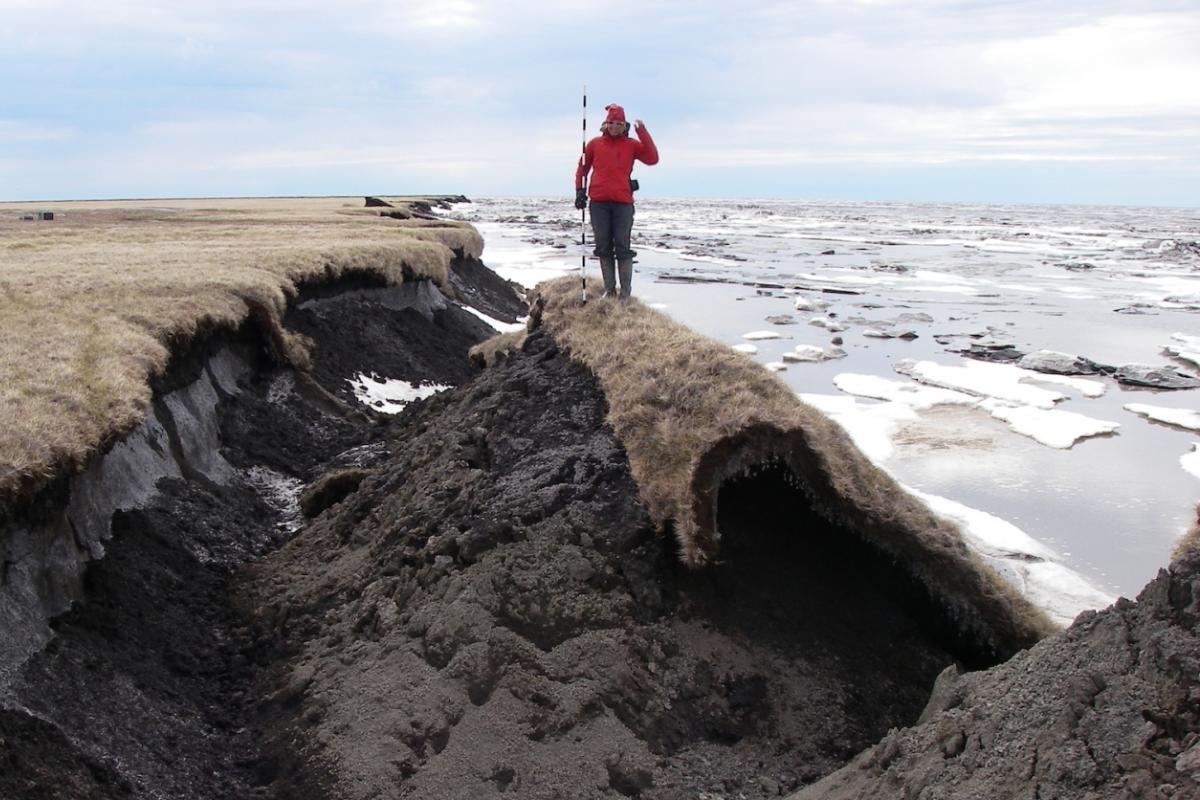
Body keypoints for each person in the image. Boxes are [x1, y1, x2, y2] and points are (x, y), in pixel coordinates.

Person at [574, 104, 659, 299]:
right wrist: (579, 191)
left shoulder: (631, 145)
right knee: (603, 245)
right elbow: (582, 168)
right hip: (598, 203)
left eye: (619, 123)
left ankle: (625, 294)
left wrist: (642, 131)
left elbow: (652, 158)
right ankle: (610, 290)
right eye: (611, 122)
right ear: (606, 124)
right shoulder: (595, 144)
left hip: (623, 204)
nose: (614, 126)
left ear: (624, 125)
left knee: (622, 246)